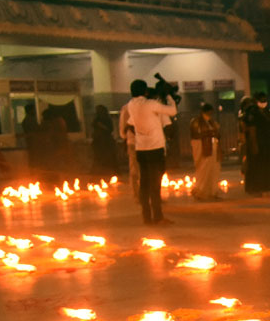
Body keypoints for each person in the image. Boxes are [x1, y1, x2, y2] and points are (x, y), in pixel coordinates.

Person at [119, 78, 176, 224]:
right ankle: (158, 216)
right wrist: (168, 96)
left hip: (141, 149)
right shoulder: (151, 104)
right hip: (155, 148)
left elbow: (130, 124)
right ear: (145, 91)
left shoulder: (131, 105)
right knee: (155, 184)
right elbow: (173, 110)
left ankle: (146, 216)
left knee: (144, 183)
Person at [242, 91, 270, 195]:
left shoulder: (266, 111)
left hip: (266, 142)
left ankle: (265, 187)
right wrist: (254, 144)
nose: (263, 102)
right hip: (256, 142)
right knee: (255, 166)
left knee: (266, 165)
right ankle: (254, 188)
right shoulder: (252, 111)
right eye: (261, 100)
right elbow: (251, 128)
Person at [190, 103, 222, 200]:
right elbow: (195, 135)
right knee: (203, 170)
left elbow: (217, 132)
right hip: (202, 148)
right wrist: (209, 134)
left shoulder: (211, 121)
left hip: (213, 148)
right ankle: (201, 192)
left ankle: (212, 192)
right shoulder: (195, 121)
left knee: (214, 170)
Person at [90, 105, 118, 178]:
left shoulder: (107, 119)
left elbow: (109, 129)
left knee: (108, 158)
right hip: (98, 142)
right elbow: (93, 125)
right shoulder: (96, 119)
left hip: (106, 142)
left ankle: (109, 172)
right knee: (98, 158)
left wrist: (102, 126)